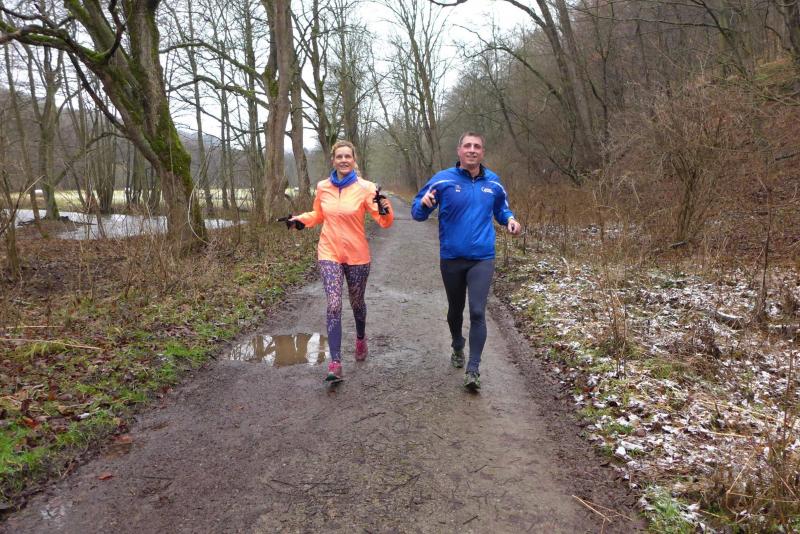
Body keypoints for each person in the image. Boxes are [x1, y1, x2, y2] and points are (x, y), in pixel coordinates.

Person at [411, 132, 521, 390]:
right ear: (459, 150)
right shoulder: (443, 179)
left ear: (482, 152)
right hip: (452, 257)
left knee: (478, 311)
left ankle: (473, 369)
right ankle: (457, 344)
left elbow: (501, 209)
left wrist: (510, 220)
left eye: (477, 146)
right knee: (455, 309)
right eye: (468, 146)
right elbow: (417, 213)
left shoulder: (493, 182)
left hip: (482, 257)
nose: (472, 150)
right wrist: (424, 204)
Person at [289, 140, 393, 381]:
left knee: (357, 303)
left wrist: (385, 207)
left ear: (354, 160)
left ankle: (360, 338)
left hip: (357, 255)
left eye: (348, 156)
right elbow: (318, 214)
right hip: (329, 253)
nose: (344, 160)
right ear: (333, 160)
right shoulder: (323, 187)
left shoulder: (366, 188)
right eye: (339, 156)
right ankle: (335, 363)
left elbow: (384, 222)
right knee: (334, 304)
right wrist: (300, 219)